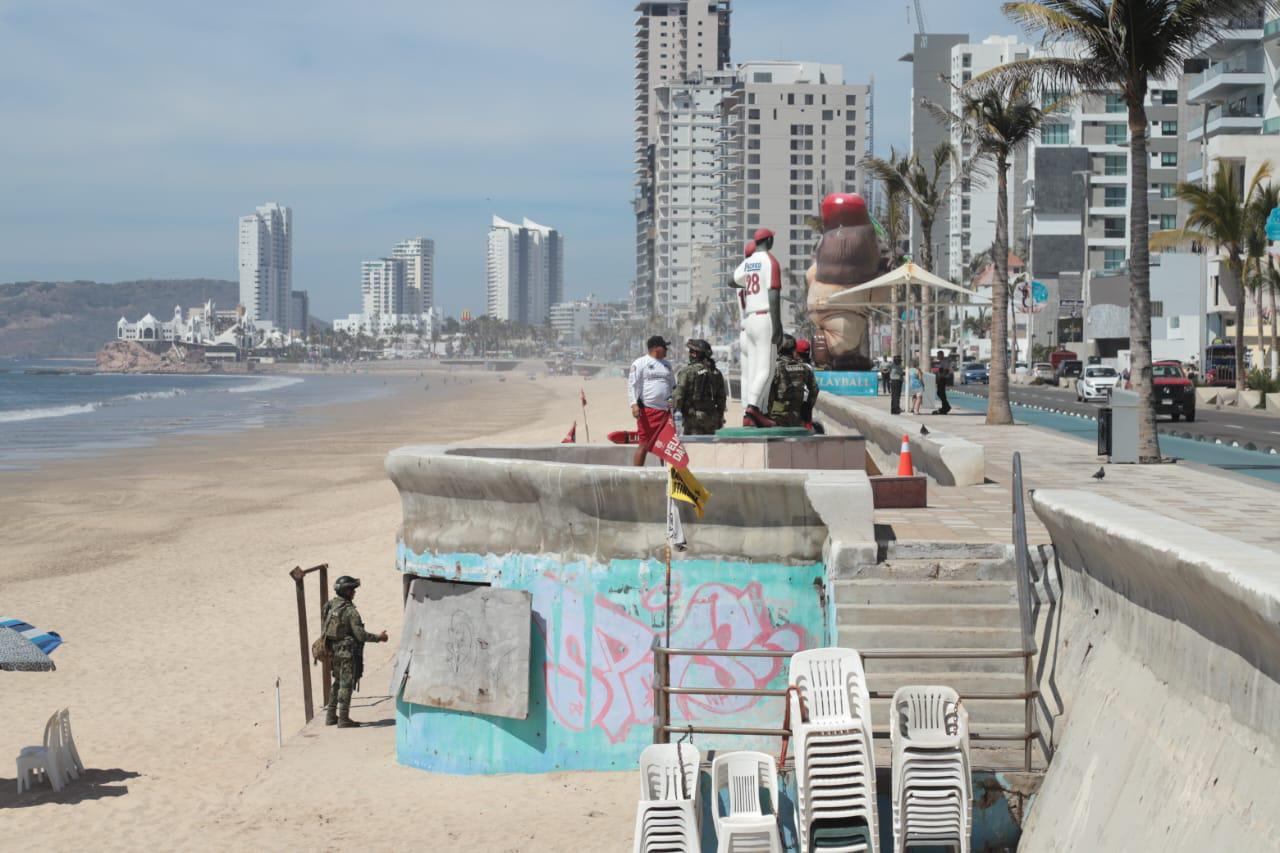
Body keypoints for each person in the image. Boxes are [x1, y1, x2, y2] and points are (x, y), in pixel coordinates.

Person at [732, 229, 784, 427]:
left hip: (749, 319)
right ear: (769, 240)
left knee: (753, 371)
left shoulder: (748, 262)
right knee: (766, 369)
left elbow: (732, 279)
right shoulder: (770, 261)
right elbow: (773, 294)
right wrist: (778, 325)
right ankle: (753, 408)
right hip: (764, 317)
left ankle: (753, 412)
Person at [322, 575, 389, 728]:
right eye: (352, 589)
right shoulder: (351, 611)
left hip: (333, 651)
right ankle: (344, 719)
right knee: (345, 684)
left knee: (337, 683)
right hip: (347, 653)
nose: (354, 592)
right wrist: (379, 637)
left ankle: (331, 716)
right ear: (345, 591)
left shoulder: (330, 605)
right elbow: (361, 635)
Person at [628, 334, 676, 466]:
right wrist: (633, 405)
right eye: (664, 347)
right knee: (643, 445)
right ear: (655, 348)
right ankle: (636, 474)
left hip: (665, 413)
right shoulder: (640, 363)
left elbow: (673, 387)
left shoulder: (667, 365)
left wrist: (673, 406)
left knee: (667, 445)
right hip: (647, 411)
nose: (666, 350)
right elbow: (632, 385)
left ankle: (665, 472)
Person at [672, 339, 727, 436]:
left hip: (693, 420)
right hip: (712, 420)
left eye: (690, 351)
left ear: (694, 354)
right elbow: (721, 399)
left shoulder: (687, 372)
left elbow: (678, 397)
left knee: (692, 449)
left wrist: (676, 415)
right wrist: (719, 418)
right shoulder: (716, 373)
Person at [767, 334, 820, 428]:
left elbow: (769, 393)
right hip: (797, 416)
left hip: (778, 417)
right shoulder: (804, 368)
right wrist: (807, 407)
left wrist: (771, 412)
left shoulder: (774, 368)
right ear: (794, 349)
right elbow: (815, 390)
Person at [933, 350, 953, 415]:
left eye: (938, 355)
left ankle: (946, 407)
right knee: (941, 393)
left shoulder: (945, 361)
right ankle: (945, 407)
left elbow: (946, 370)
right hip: (941, 378)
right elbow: (938, 370)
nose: (937, 356)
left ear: (942, 355)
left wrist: (941, 376)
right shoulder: (941, 361)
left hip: (943, 378)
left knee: (940, 392)